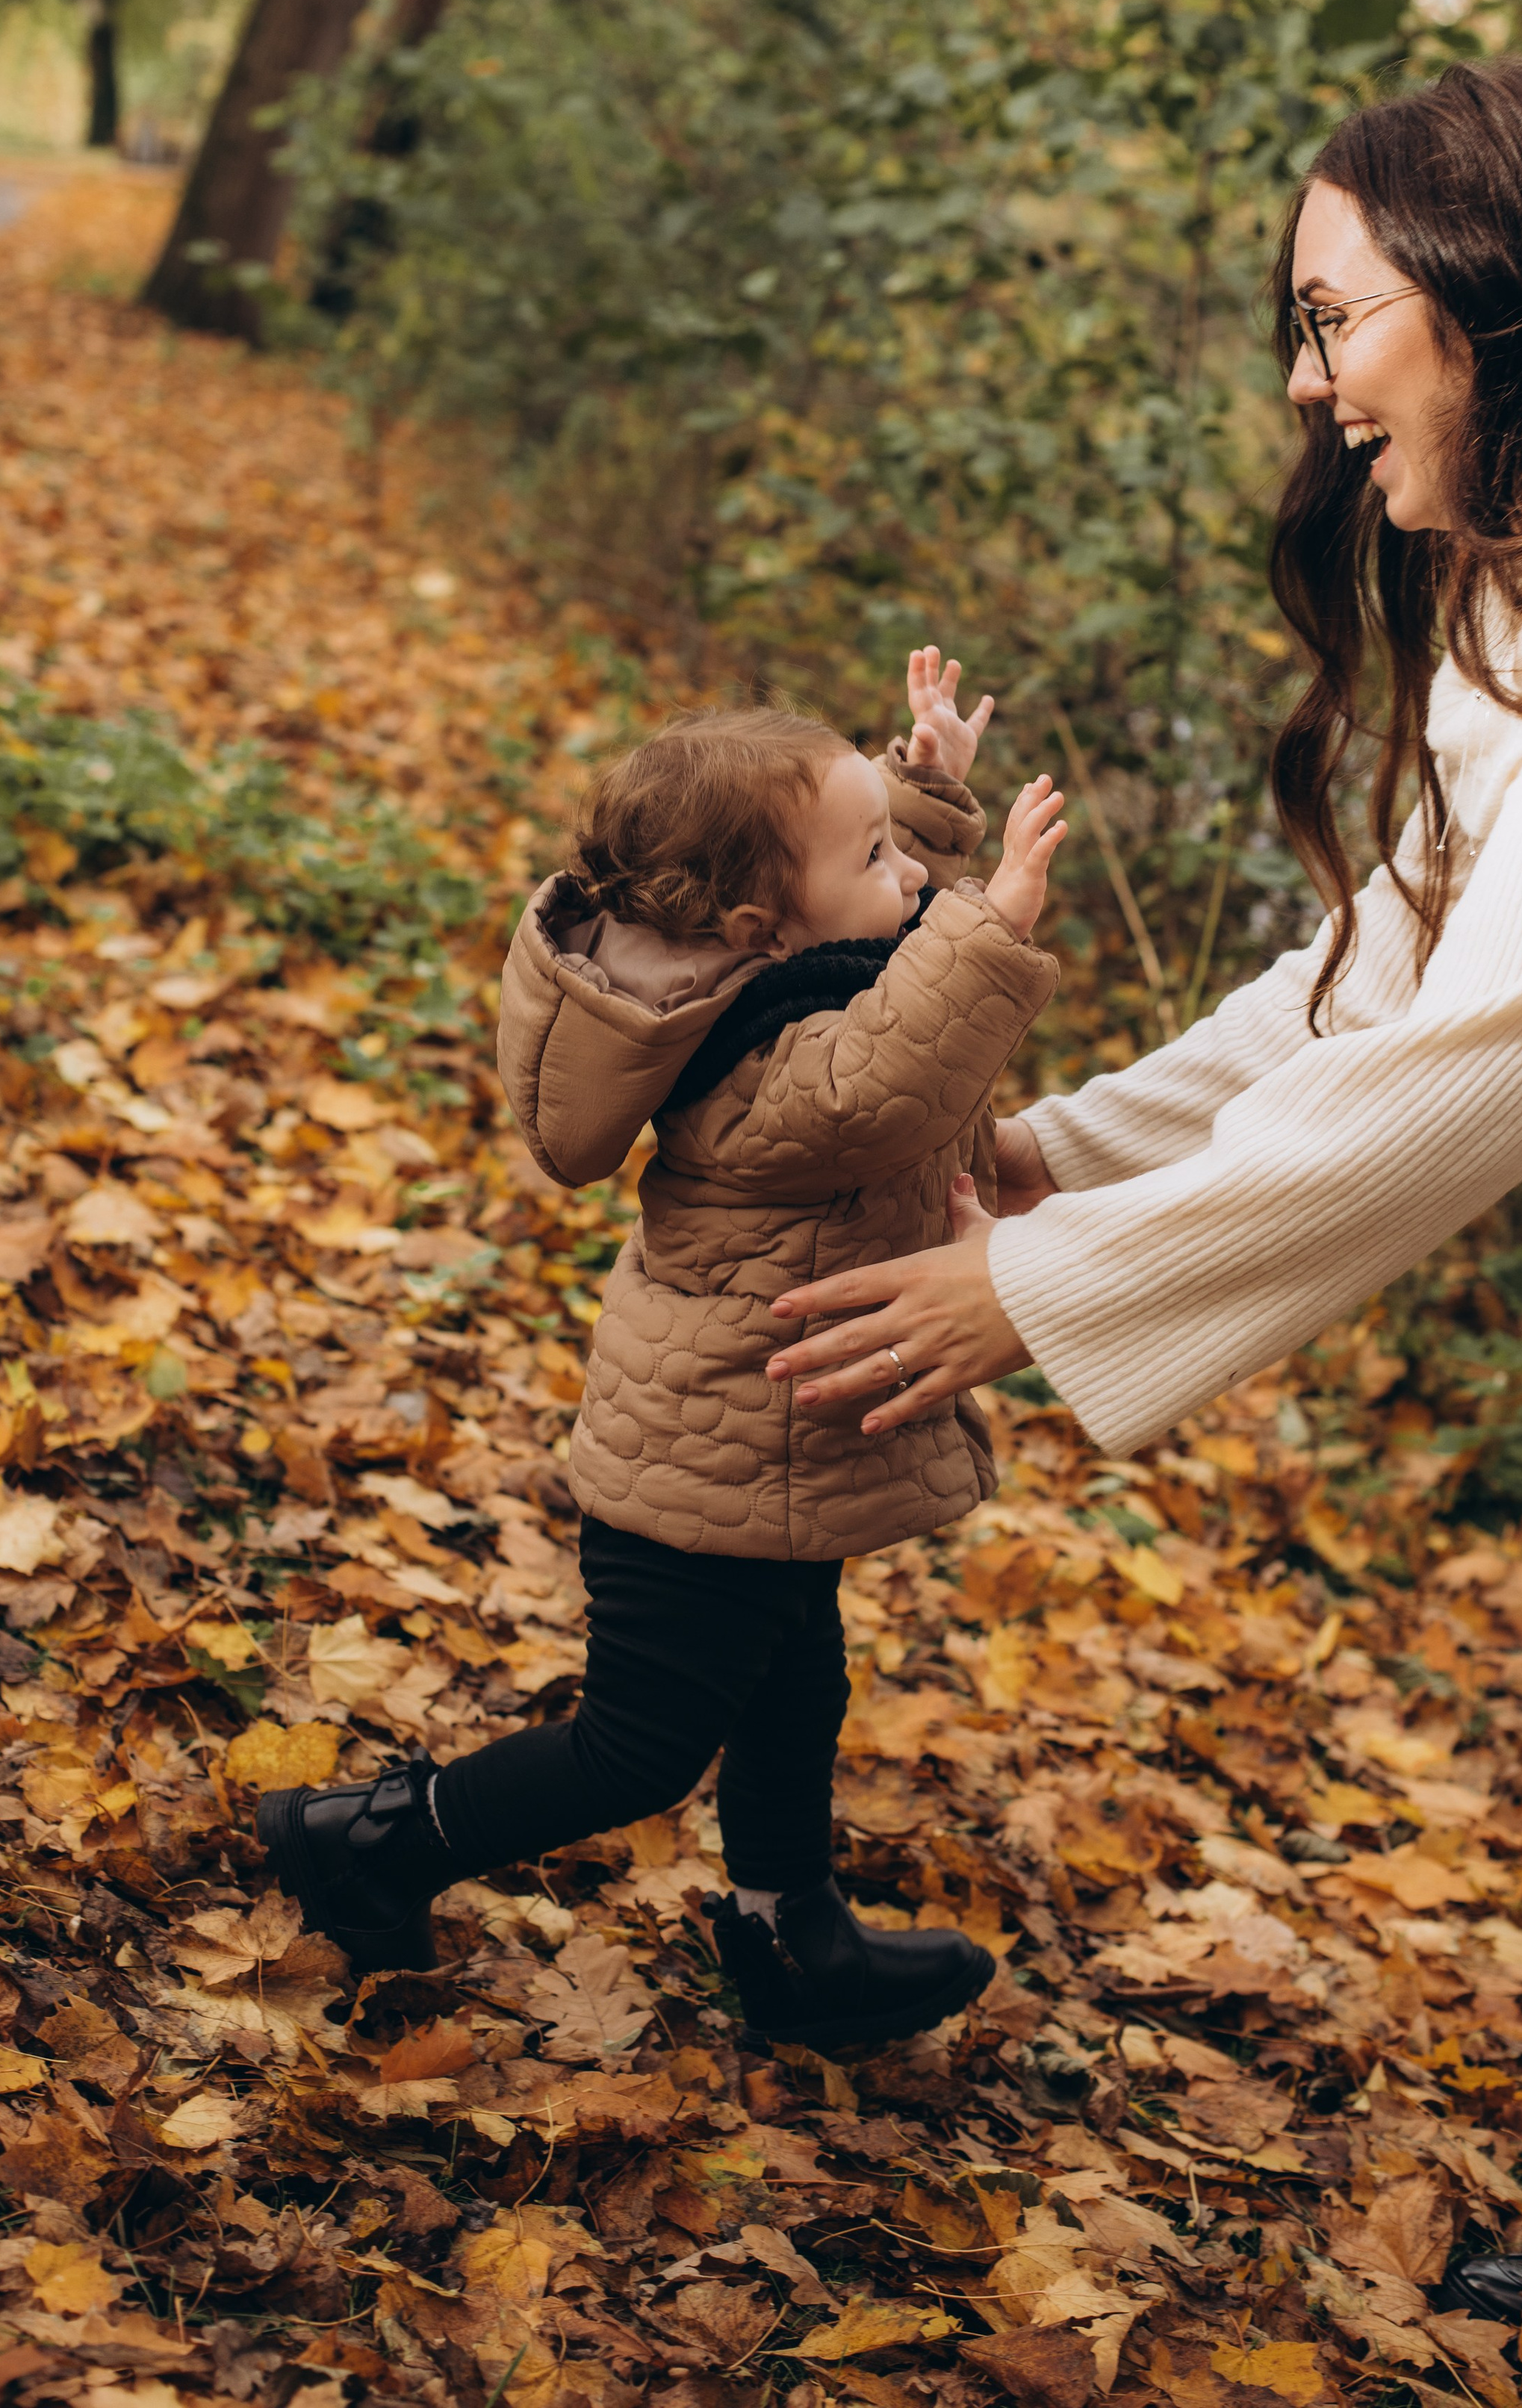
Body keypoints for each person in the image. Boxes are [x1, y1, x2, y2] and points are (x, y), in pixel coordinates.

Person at [764, 59, 1522, 2406]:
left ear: (1493, 304)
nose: (1306, 388)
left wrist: (1022, 1293)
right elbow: (1389, 961)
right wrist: (1060, 1156)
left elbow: (1461, 1087)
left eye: (1335, 321)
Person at [258, 655, 1065, 2052]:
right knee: (639, 1750)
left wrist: (919, 793)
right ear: (759, 920)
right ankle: (373, 1842)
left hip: (768, 1447)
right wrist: (995, 924)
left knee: (800, 1687)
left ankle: (786, 1931)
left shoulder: (769, 960)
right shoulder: (749, 1061)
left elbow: (866, 925)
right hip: (708, 1459)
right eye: (879, 851)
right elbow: (878, 1077)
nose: (915, 880)